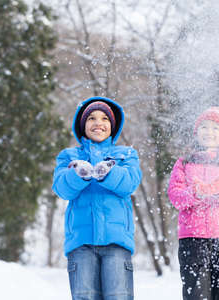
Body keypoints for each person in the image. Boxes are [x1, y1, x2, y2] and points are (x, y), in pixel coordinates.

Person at [52, 96, 142, 300]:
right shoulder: (69, 156)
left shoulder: (126, 155)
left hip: (117, 242)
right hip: (81, 243)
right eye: (91, 118)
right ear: (83, 125)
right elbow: (62, 189)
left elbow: (130, 183)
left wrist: (108, 173)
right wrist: (78, 174)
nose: (98, 123)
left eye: (105, 119)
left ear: (113, 125)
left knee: (118, 296)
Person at [167, 107, 219, 300]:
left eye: (215, 128)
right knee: (196, 293)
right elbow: (175, 196)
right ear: (196, 132)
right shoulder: (184, 163)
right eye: (204, 127)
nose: (209, 132)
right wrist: (195, 192)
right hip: (193, 238)